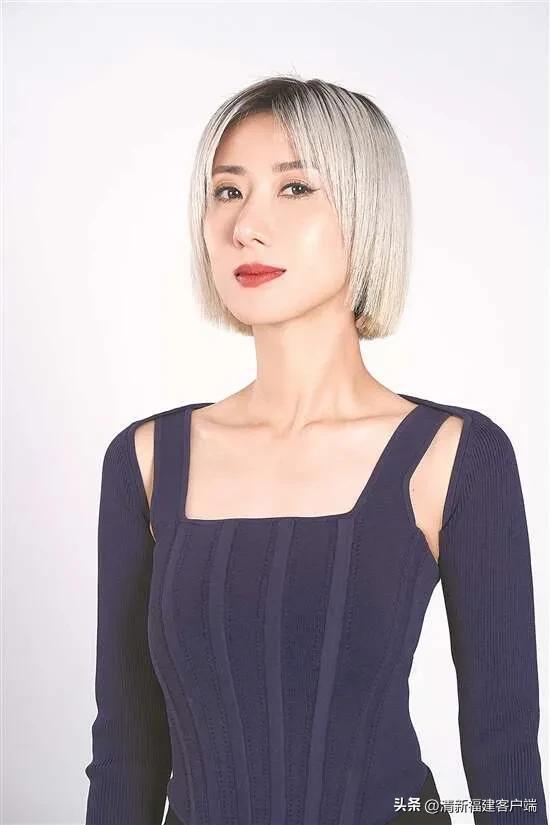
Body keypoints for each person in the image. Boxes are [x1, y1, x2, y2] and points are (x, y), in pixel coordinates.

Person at [84, 75, 547, 825]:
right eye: (228, 191)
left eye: (295, 187)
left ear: (367, 214)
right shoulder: (145, 461)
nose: (246, 225)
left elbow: (505, 764)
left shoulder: (456, 458)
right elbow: (126, 753)